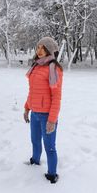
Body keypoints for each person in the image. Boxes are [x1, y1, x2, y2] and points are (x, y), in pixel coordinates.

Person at [23, 37, 63, 184]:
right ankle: (35, 161)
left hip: (47, 115)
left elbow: (56, 97)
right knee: (35, 141)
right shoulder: (36, 66)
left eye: (43, 48)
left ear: (50, 50)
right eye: (38, 47)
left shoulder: (54, 68)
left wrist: (52, 120)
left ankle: (52, 174)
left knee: (50, 146)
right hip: (35, 114)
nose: (39, 50)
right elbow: (32, 91)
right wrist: (27, 108)